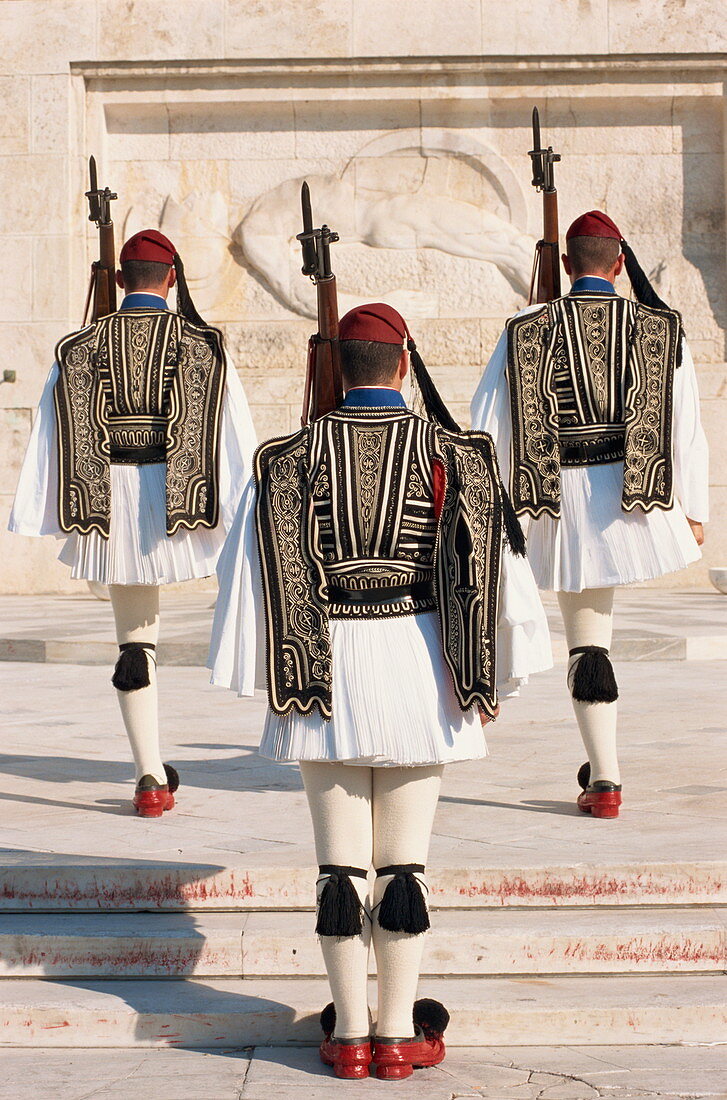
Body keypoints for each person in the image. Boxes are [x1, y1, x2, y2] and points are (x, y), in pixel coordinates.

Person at [209, 303, 552, 1080]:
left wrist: (272, 675)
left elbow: (249, 582)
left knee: (339, 867)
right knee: (404, 865)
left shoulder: (285, 458)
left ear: (340, 368)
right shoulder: (456, 451)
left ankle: (348, 1034)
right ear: (403, 365)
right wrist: (487, 673)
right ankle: (398, 1034)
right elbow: (495, 577)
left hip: (320, 672)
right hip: (419, 664)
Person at [9, 229, 256, 817]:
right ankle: (152, 773)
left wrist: (51, 513)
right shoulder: (202, 344)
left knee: (134, 642)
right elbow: (234, 434)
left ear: (119, 280)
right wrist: (245, 510)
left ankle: (149, 777)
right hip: (179, 502)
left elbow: (53, 435)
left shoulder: (79, 347)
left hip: (109, 504)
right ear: (172, 279)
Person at [471, 210, 709, 819]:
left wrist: (491, 509)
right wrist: (696, 509)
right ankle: (602, 774)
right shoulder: (658, 327)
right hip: (635, 498)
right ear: (620, 263)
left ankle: (605, 780)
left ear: (567, 265)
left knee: (586, 643)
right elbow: (687, 425)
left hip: (559, 502)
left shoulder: (526, 327)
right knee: (593, 642)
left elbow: (487, 423)